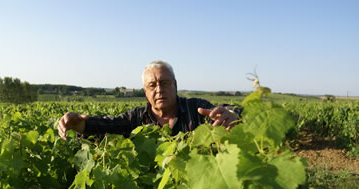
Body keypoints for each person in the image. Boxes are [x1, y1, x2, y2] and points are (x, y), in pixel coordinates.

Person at [58, 61, 241, 140]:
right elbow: (109, 124)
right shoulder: (136, 118)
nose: (159, 89)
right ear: (145, 91)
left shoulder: (196, 109)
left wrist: (231, 114)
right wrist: (80, 125)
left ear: (175, 85)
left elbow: (222, 110)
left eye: (164, 83)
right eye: (152, 85)